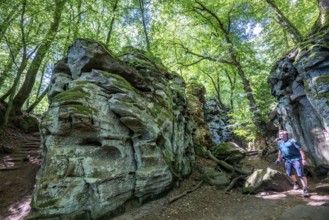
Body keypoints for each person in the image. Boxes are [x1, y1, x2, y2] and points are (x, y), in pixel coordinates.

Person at [275, 130, 310, 197]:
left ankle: (305, 189)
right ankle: (296, 182)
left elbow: (301, 150)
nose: (280, 135)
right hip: (287, 160)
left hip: (296, 159)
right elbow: (280, 150)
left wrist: (303, 159)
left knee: (300, 174)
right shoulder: (279, 142)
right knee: (289, 173)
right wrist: (279, 158)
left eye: (281, 134)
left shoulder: (292, 141)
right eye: (279, 134)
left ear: (286, 135)